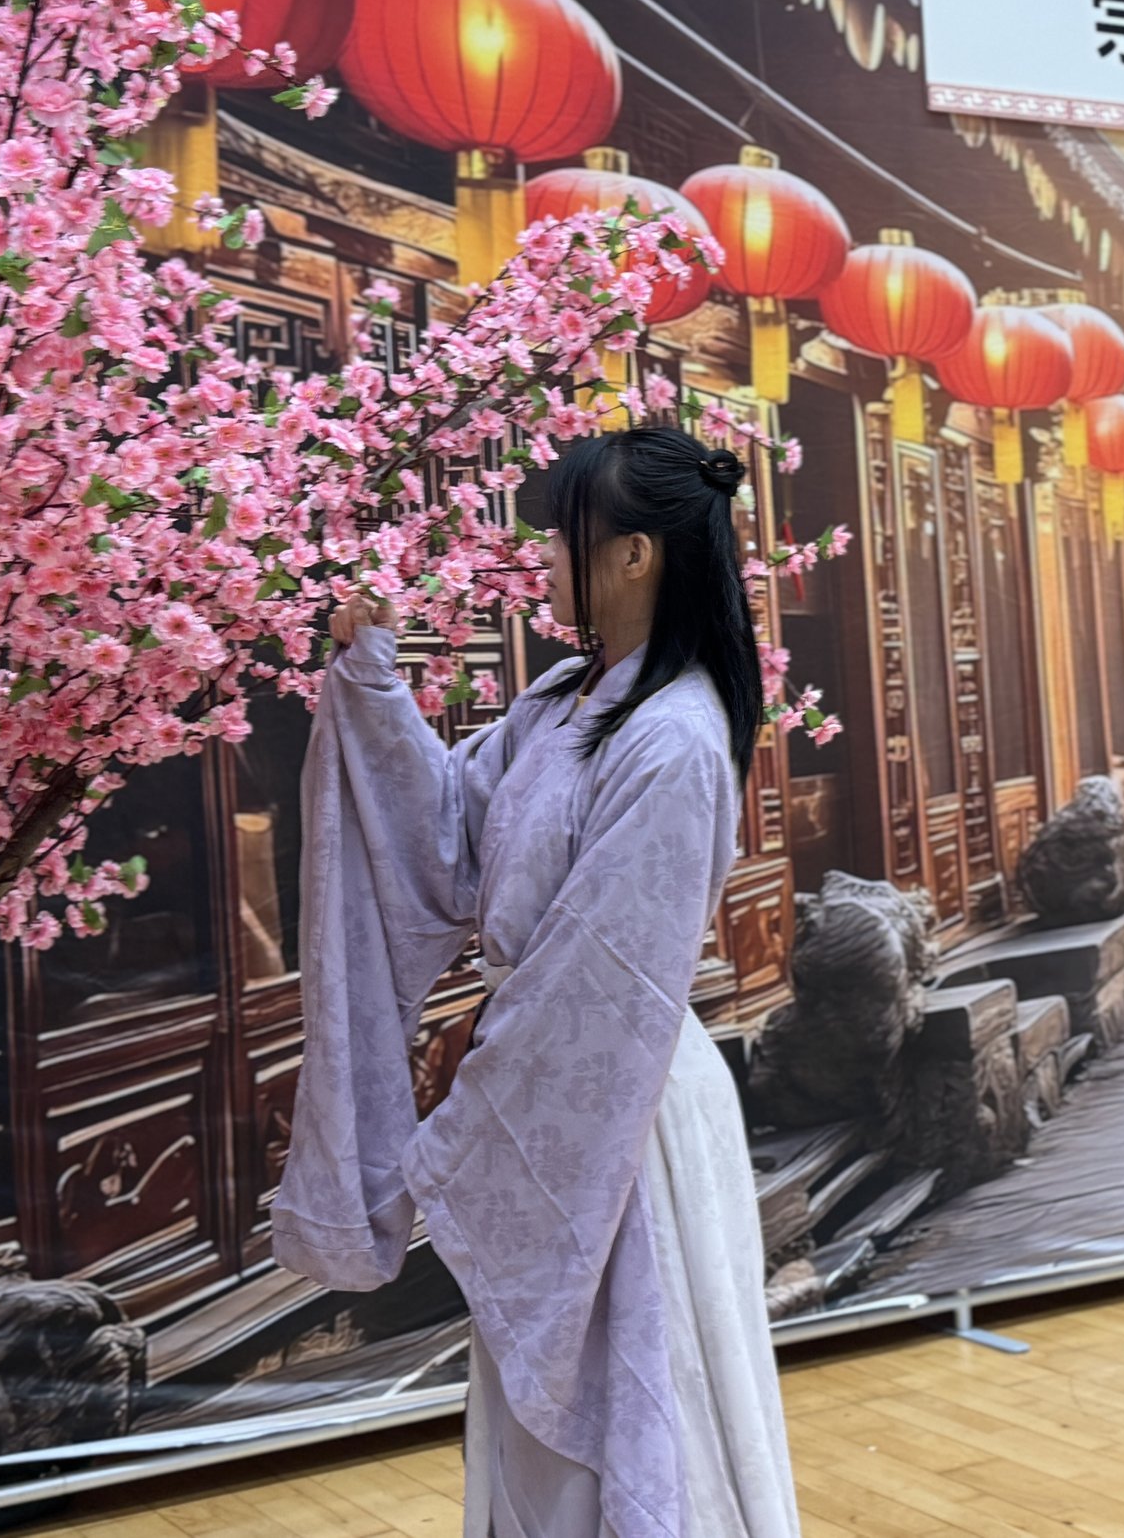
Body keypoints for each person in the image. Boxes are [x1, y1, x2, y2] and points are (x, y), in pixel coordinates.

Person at [272, 426, 801, 1538]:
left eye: (565, 538)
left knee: (634, 1403)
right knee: (541, 1423)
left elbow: (601, 977)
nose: (545, 558)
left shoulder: (675, 737)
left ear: (634, 555)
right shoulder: (567, 698)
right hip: (555, 1074)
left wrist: (475, 1098)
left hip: (625, 1106)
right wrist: (373, 682)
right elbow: (445, 838)